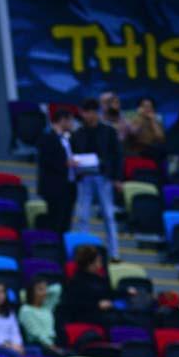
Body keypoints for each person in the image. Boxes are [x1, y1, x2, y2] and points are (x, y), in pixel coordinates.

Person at [71, 98, 122, 262]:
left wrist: (117, 178)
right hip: (84, 177)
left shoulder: (108, 131)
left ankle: (114, 253)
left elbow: (117, 156)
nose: (88, 116)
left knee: (108, 214)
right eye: (85, 112)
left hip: (103, 176)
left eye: (91, 112)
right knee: (83, 215)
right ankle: (84, 252)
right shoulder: (77, 134)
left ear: (96, 113)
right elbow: (73, 156)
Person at [36, 108, 77, 234]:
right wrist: (65, 164)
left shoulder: (67, 138)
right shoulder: (47, 137)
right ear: (63, 121)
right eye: (70, 121)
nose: (72, 124)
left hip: (68, 186)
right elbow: (46, 161)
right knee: (55, 221)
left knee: (66, 222)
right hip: (54, 187)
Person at [57, 245, 116, 330]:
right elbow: (75, 305)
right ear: (90, 264)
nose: (101, 265)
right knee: (111, 320)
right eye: (98, 261)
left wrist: (126, 292)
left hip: (100, 314)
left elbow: (108, 293)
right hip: (84, 316)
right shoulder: (76, 281)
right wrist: (97, 305)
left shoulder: (98, 278)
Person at [18, 277, 64, 357]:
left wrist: (44, 289)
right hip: (38, 344)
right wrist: (50, 346)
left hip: (53, 343)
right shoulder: (26, 310)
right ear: (31, 291)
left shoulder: (46, 307)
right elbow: (35, 333)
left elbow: (58, 289)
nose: (45, 293)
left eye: (45, 289)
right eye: (40, 289)